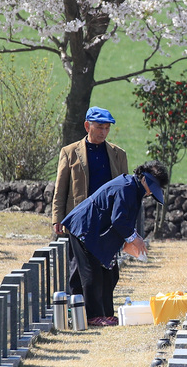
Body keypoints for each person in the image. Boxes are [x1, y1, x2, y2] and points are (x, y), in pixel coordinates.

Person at [61, 160, 169, 326]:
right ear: (144, 180)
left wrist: (127, 241)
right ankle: (92, 316)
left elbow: (123, 220)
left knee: (110, 273)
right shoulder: (126, 187)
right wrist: (135, 238)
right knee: (92, 274)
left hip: (97, 234)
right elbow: (118, 220)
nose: (150, 194)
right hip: (85, 229)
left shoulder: (133, 189)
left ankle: (105, 313)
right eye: (152, 189)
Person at [52, 106, 128, 294]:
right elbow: (61, 188)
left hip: (107, 220)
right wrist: (57, 217)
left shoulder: (118, 154)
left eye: (107, 128)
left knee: (109, 268)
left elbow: (125, 191)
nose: (104, 132)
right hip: (81, 219)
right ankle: (77, 306)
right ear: (87, 126)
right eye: (99, 127)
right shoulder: (70, 152)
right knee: (78, 268)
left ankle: (102, 307)